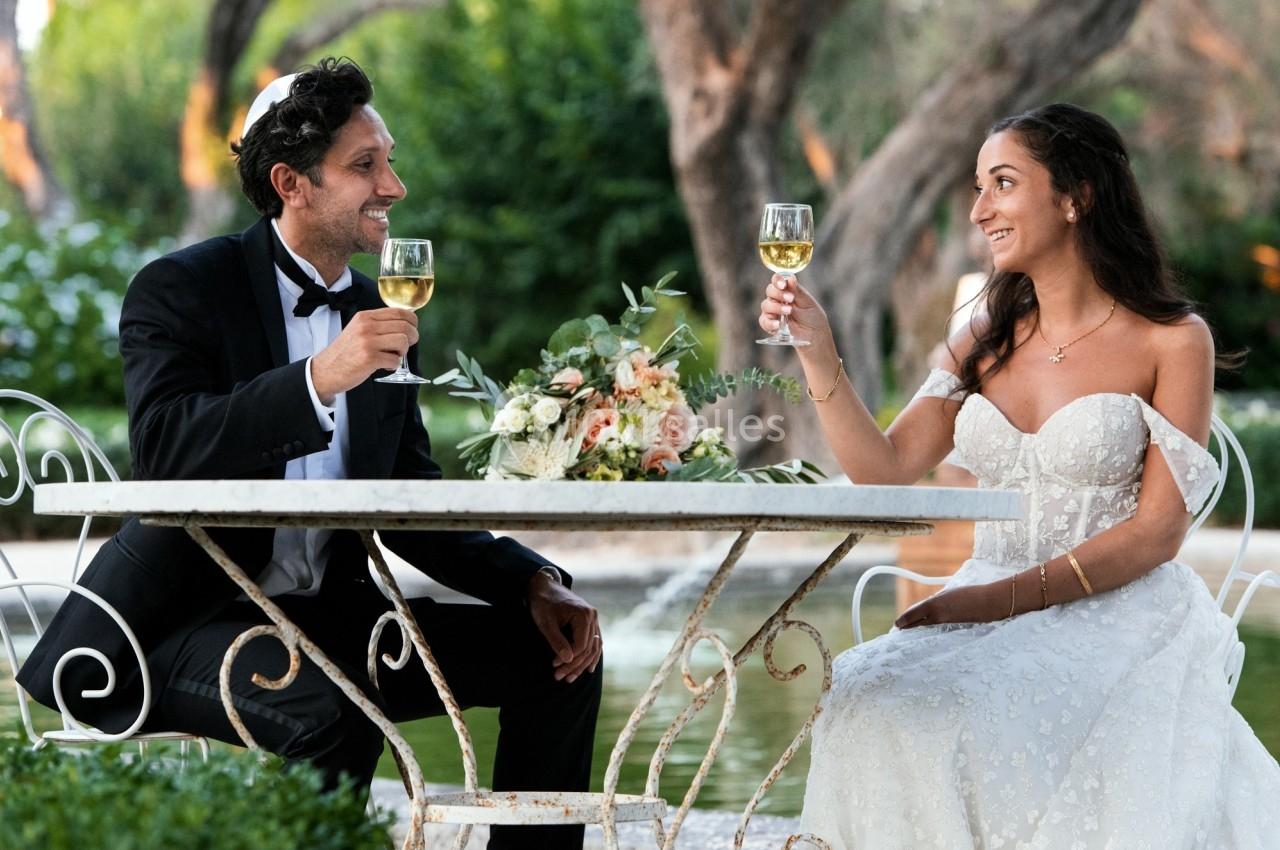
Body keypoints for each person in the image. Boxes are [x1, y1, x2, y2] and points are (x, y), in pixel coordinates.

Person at [19, 58, 602, 850]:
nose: (392, 186)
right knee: (332, 705)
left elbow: (408, 501)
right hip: (171, 627)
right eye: (365, 166)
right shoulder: (181, 287)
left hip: (333, 625)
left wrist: (532, 582)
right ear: (292, 183)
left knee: (556, 654)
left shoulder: (375, 307)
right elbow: (164, 453)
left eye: (388, 160)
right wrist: (318, 379)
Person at [759, 103, 1280, 848]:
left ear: (1076, 197)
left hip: (1117, 613)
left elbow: (1159, 530)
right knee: (862, 690)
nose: (979, 210)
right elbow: (885, 464)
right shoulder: (982, 335)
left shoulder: (1172, 339)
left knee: (968, 709)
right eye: (978, 187)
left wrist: (994, 601)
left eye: (1002, 183)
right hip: (982, 595)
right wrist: (818, 351)